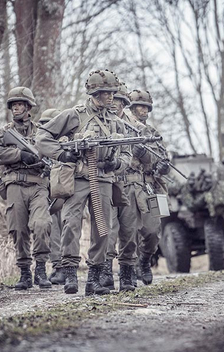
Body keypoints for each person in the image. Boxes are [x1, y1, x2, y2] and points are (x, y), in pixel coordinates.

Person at [36, 69, 131, 296]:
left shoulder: (116, 123)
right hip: (78, 177)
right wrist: (61, 154)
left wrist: (116, 164)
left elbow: (127, 152)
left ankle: (95, 279)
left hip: (104, 178)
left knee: (103, 228)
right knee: (71, 224)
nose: (111, 97)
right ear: (95, 93)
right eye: (106, 93)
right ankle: (69, 272)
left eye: (112, 93)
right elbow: (42, 137)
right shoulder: (74, 115)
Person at [0, 87, 53, 290]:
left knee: (42, 224)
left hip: (38, 184)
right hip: (14, 184)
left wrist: (41, 157)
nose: (17, 108)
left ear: (28, 108)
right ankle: (25, 272)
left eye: (20, 105)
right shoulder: (4, 132)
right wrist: (19, 155)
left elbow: (52, 151)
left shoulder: (41, 132)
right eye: (14, 105)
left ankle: (41, 269)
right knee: (18, 229)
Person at [100, 82, 142, 292]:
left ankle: (127, 273)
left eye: (119, 101)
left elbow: (151, 157)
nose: (114, 104)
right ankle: (105, 272)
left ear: (125, 104)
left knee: (129, 230)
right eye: (112, 100)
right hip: (107, 181)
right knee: (107, 229)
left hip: (128, 184)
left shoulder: (136, 127)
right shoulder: (99, 122)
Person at [128, 89, 170, 285]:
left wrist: (163, 166)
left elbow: (164, 158)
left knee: (152, 230)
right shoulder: (122, 129)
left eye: (146, 107)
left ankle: (145, 261)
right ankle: (129, 267)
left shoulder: (152, 133)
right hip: (127, 183)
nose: (143, 110)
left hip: (148, 185)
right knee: (128, 232)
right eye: (139, 106)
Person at [37, 108, 65, 285]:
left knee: (62, 227)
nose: (46, 127)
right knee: (50, 226)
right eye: (44, 124)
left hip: (63, 190)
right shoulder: (39, 142)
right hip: (43, 189)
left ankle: (62, 266)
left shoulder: (64, 143)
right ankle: (55, 266)